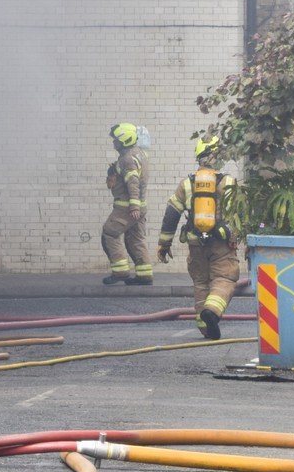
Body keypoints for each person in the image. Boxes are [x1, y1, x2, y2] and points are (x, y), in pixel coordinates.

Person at [157, 136, 241, 339]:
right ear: (216, 157)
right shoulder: (228, 181)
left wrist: (164, 243)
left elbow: (171, 214)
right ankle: (212, 311)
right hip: (221, 244)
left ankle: (205, 328)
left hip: (195, 243)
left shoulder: (187, 183)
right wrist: (235, 236)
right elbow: (237, 215)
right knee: (224, 278)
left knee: (201, 283)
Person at [101, 123, 152, 285]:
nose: (114, 143)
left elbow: (133, 182)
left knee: (109, 233)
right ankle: (144, 275)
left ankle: (120, 272)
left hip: (126, 208)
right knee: (135, 239)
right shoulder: (139, 154)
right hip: (139, 206)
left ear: (124, 140)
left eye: (116, 140)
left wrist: (134, 207)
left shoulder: (127, 159)